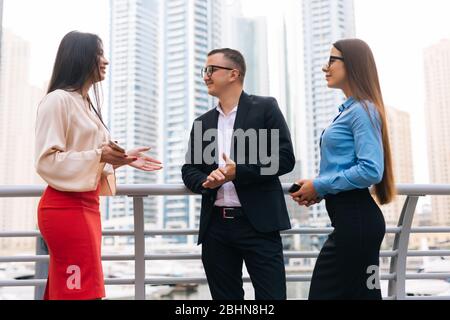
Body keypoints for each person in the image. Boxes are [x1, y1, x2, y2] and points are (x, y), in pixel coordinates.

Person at [35, 31, 162, 300]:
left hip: (87, 207)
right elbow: (47, 161)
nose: (106, 60)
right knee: (80, 290)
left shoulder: (86, 105)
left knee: (73, 289)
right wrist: (99, 155)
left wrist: (121, 159)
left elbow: (89, 161)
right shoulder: (58, 100)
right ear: (80, 57)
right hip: (65, 209)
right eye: (98, 53)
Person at [182, 48, 295, 300]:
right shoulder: (202, 122)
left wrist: (238, 172)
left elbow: (285, 158)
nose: (206, 76)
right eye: (205, 70)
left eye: (211, 69)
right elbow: (188, 169)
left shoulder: (265, 107)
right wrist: (205, 181)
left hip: (259, 226)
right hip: (216, 228)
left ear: (234, 74)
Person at [290, 38, 396, 300]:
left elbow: (371, 170)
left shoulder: (362, 110)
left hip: (356, 222)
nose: (325, 67)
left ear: (352, 64)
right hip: (352, 221)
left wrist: (321, 185)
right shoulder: (351, 111)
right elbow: (348, 166)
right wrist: (318, 186)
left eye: (331, 60)